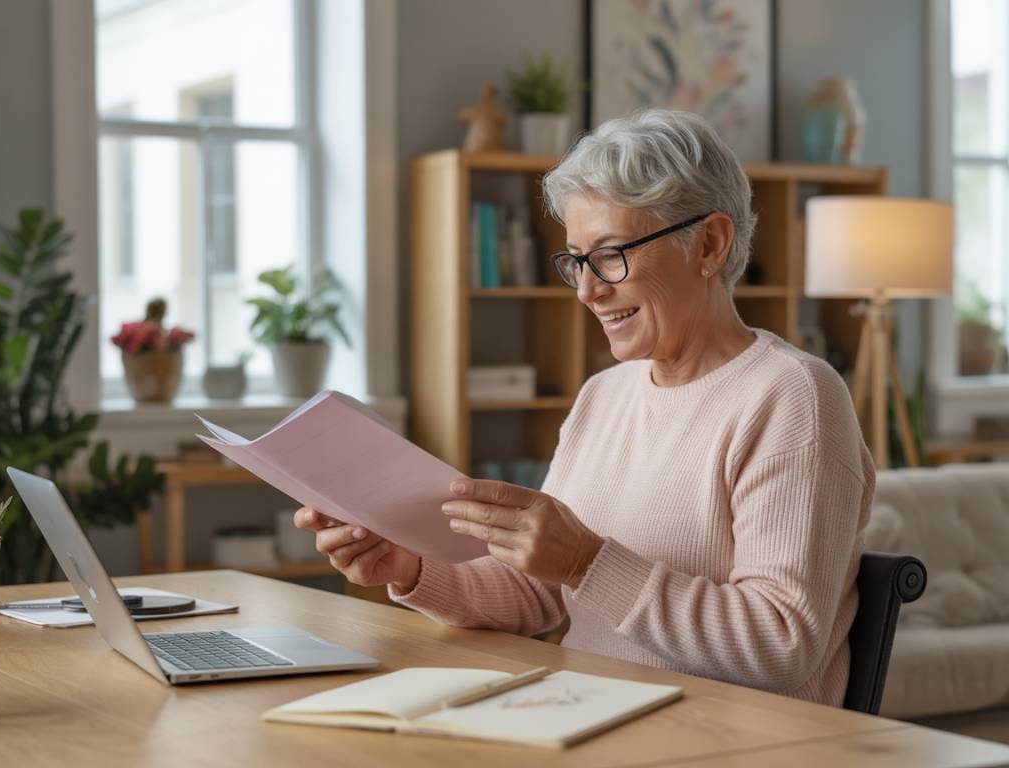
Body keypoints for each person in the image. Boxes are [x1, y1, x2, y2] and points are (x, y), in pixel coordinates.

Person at [295, 109, 874, 707]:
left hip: (732, 743)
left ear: (709, 243)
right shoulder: (606, 395)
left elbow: (781, 645)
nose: (587, 289)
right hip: (596, 720)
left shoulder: (794, 397)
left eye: (611, 255)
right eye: (575, 259)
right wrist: (409, 568)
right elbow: (540, 596)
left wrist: (588, 562)